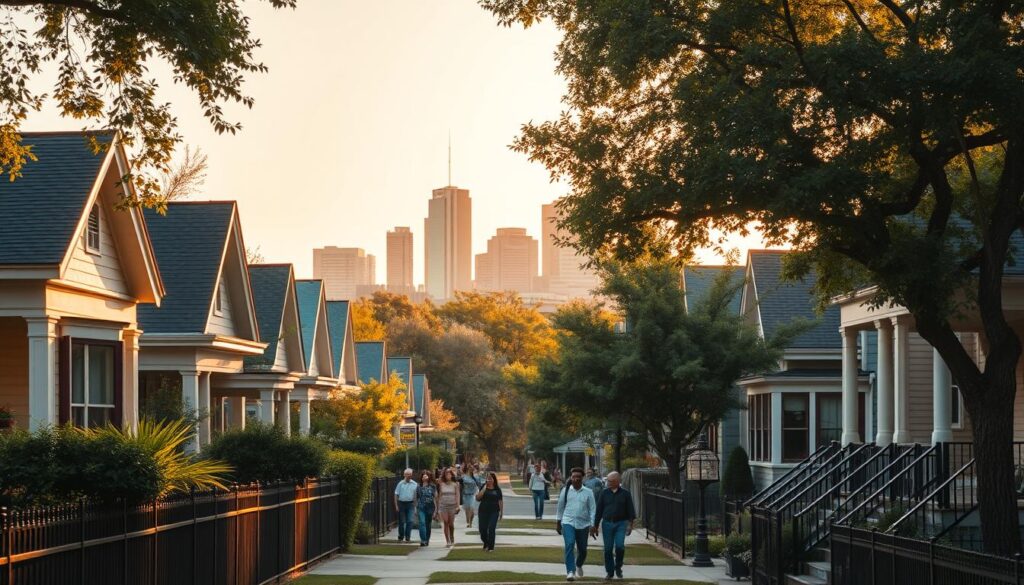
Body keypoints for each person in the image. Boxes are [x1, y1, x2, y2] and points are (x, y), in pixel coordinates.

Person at [591, 471, 637, 580]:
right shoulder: (604, 493)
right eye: (608, 481)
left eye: (611, 481)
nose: (608, 483)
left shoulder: (625, 494)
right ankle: (609, 572)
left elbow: (630, 511)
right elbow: (599, 510)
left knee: (620, 546)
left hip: (621, 523)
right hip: (607, 523)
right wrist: (595, 526)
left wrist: (630, 525)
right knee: (607, 549)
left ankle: (618, 566)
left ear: (618, 482)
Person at [556, 467, 596, 582]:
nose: (576, 479)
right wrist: (558, 522)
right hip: (568, 522)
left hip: (583, 524)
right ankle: (570, 571)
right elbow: (560, 507)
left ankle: (578, 564)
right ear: (571, 478)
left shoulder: (588, 492)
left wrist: (593, 525)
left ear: (582, 478)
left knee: (582, 550)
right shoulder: (566, 490)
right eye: (574, 477)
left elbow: (593, 509)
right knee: (569, 544)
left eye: (578, 476)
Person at [475, 471, 504, 552]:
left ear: (494, 479)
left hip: (494, 511)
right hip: (483, 511)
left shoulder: (497, 489)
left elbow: (500, 501)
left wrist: (501, 512)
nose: (489, 480)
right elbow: (477, 498)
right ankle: (486, 543)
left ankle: (491, 547)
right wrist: (484, 488)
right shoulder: (483, 487)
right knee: (482, 530)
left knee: (491, 528)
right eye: (488, 478)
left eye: (491, 478)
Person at [437, 467, 461, 547]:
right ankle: (448, 541)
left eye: (449, 473)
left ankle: (452, 536)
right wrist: (438, 507)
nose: (448, 475)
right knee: (446, 522)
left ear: (452, 475)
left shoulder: (455, 484)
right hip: (443, 505)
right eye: (446, 473)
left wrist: (458, 506)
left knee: (451, 524)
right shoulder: (441, 484)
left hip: (452, 505)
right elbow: (439, 495)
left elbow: (457, 495)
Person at [393, 468, 418, 543]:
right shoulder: (400, 484)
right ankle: (400, 537)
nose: (408, 476)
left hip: (410, 504)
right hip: (401, 503)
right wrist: (396, 505)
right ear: (404, 475)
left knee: (410, 521)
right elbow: (396, 494)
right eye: (407, 474)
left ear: (411, 475)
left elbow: (416, 495)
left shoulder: (415, 484)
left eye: (409, 474)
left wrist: (415, 505)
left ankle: (408, 537)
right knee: (402, 521)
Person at [415, 470, 438, 546]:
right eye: (423, 475)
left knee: (428, 525)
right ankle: (423, 540)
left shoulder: (433, 486)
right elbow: (416, 498)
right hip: (421, 507)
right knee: (422, 523)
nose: (424, 476)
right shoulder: (418, 486)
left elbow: (435, 498)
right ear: (421, 477)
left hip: (430, 508)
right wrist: (415, 508)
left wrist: (436, 510)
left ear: (429, 476)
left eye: (426, 475)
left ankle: (427, 539)